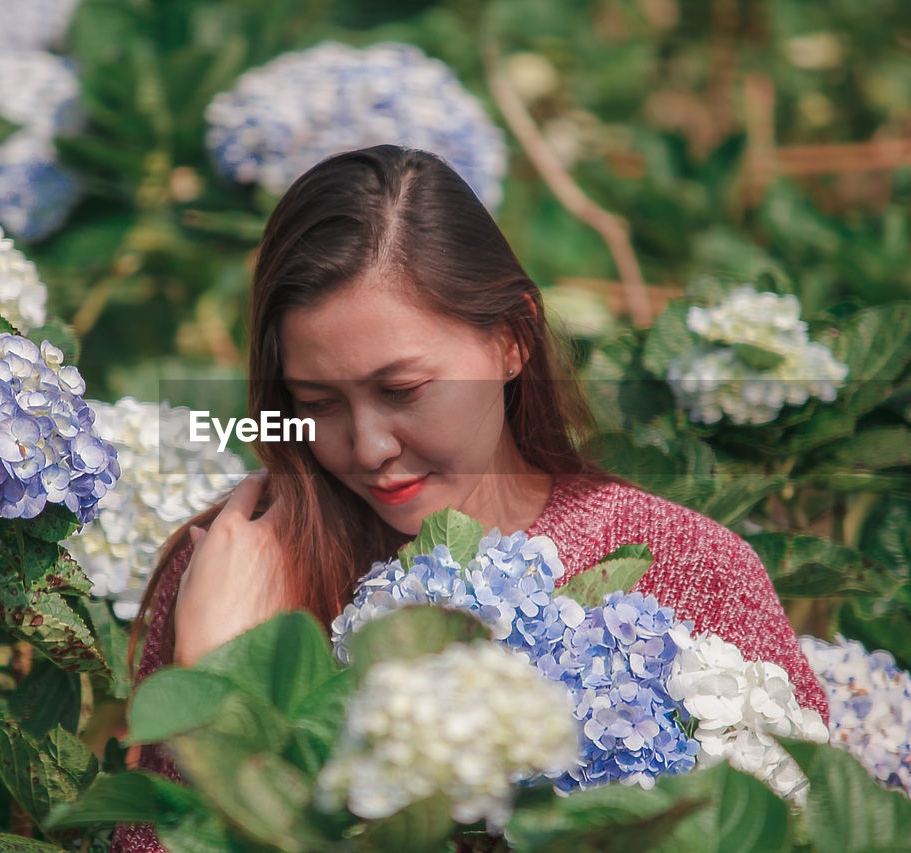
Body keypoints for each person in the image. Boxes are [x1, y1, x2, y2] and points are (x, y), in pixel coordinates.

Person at [111, 145, 828, 853]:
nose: (368, 447)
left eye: (403, 391)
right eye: (318, 401)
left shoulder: (690, 566)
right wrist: (212, 676)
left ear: (511, 340)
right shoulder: (238, 570)